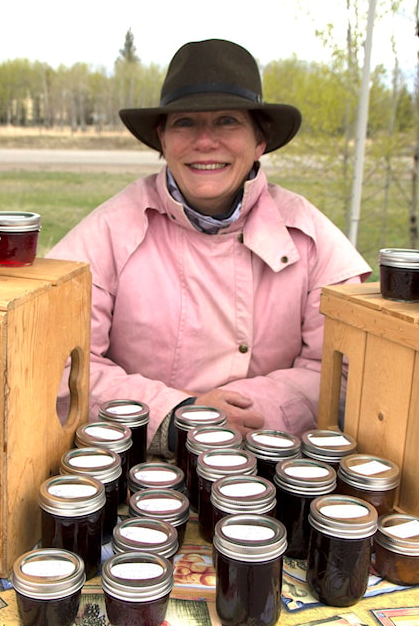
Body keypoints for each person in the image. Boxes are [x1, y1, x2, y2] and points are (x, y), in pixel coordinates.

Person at [48, 39, 370, 457]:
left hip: (271, 468)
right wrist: (177, 416)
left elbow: (341, 370)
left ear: (259, 141)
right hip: (137, 469)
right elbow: (60, 364)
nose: (205, 141)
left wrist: (251, 415)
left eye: (227, 121)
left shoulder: (310, 238)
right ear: (161, 139)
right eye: (185, 123)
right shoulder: (108, 232)